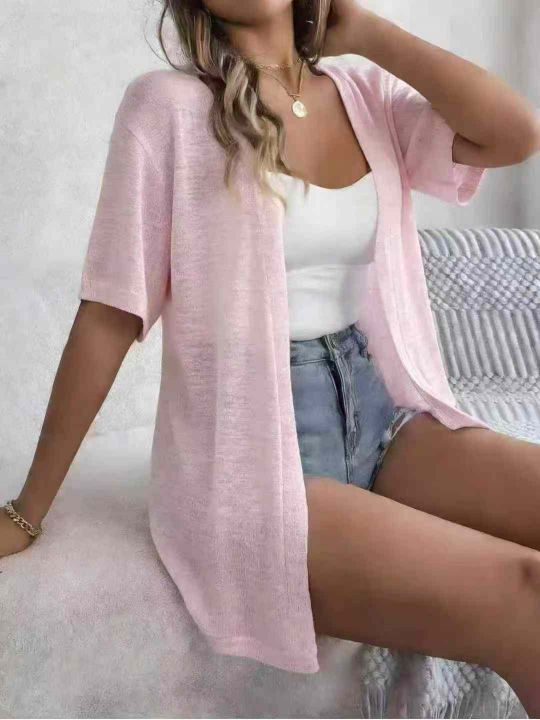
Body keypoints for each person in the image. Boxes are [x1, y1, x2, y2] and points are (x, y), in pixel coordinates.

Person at [3, 0, 540, 711]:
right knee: (527, 597)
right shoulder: (167, 107)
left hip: (383, 415)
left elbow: (514, 133)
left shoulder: (364, 96)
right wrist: (27, 511)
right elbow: (109, 314)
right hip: (253, 459)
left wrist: (365, 33)